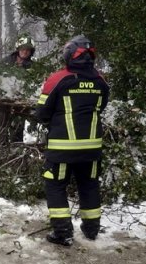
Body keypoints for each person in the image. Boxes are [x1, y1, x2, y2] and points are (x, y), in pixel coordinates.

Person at [35, 35, 110, 246]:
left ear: (69, 55)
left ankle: (63, 232)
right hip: (92, 147)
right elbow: (101, 106)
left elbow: (41, 112)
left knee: (55, 186)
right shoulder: (100, 80)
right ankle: (92, 230)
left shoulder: (58, 79)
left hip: (62, 148)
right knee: (89, 185)